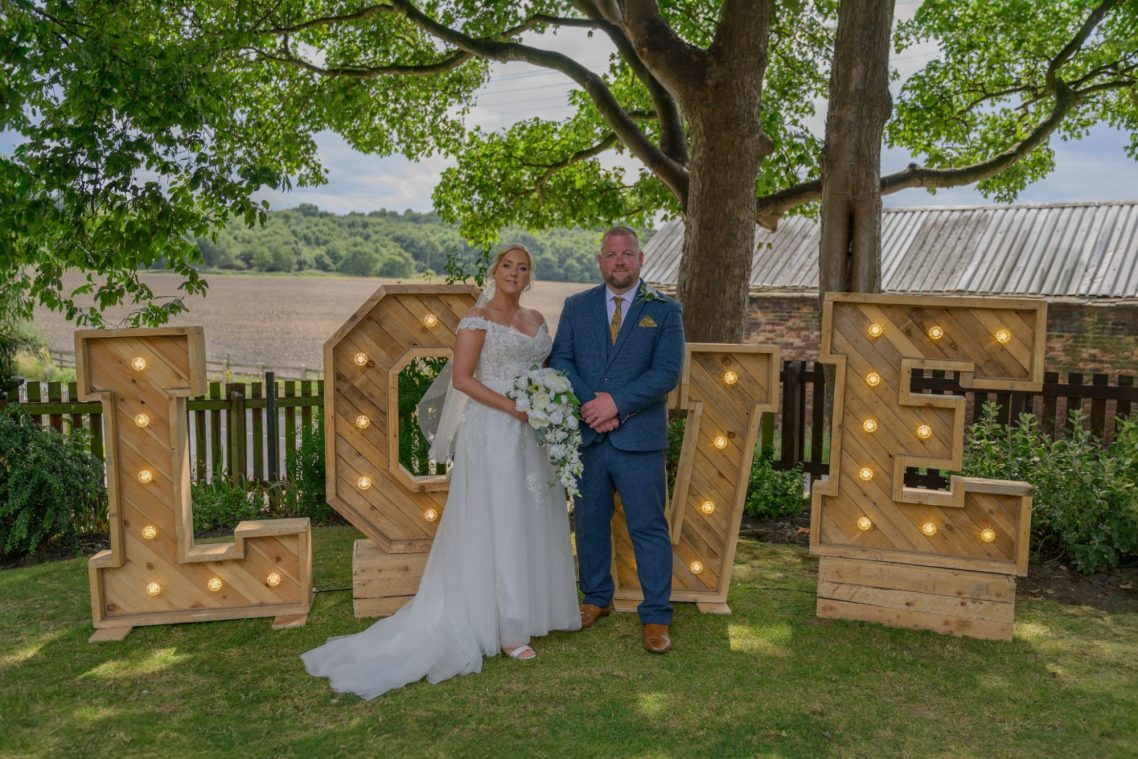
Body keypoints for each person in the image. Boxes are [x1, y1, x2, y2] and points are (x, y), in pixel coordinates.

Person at [302, 244, 581, 699]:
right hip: (492, 430)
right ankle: (507, 629)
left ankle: (531, 611)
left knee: (530, 514)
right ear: (494, 271)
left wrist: (544, 403)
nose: (514, 272)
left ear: (530, 277)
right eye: (507, 265)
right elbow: (464, 379)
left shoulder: (537, 320)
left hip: (531, 433)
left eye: (523, 267)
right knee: (499, 517)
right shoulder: (476, 318)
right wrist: (514, 408)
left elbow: (542, 371)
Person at [550, 226, 685, 654]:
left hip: (639, 441)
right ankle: (595, 599)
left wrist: (617, 405)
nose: (620, 261)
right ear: (600, 260)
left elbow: (666, 373)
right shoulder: (577, 306)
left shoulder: (664, 310)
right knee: (589, 524)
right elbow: (561, 361)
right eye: (611, 254)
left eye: (627, 254)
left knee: (648, 525)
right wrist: (593, 405)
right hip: (590, 437)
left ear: (641, 259)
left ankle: (657, 615)